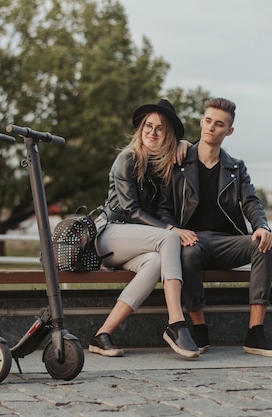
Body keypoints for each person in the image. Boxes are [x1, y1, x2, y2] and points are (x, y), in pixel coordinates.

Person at [158, 97, 272, 357]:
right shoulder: (178, 161)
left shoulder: (236, 167)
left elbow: (251, 201)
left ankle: (255, 334)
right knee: (188, 252)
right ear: (201, 121)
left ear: (229, 131)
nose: (211, 128)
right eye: (207, 121)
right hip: (191, 241)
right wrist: (174, 231)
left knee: (262, 245)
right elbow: (163, 208)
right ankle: (199, 330)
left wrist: (262, 226)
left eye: (219, 124)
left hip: (227, 242)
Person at [89, 99, 199, 359]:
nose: (152, 132)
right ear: (140, 130)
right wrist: (172, 229)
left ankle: (102, 334)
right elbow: (131, 211)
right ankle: (176, 322)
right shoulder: (126, 160)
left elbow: (161, 210)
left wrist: (187, 145)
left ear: (168, 135)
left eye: (160, 129)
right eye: (148, 126)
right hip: (108, 235)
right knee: (169, 240)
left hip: (134, 242)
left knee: (154, 261)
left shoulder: (161, 168)